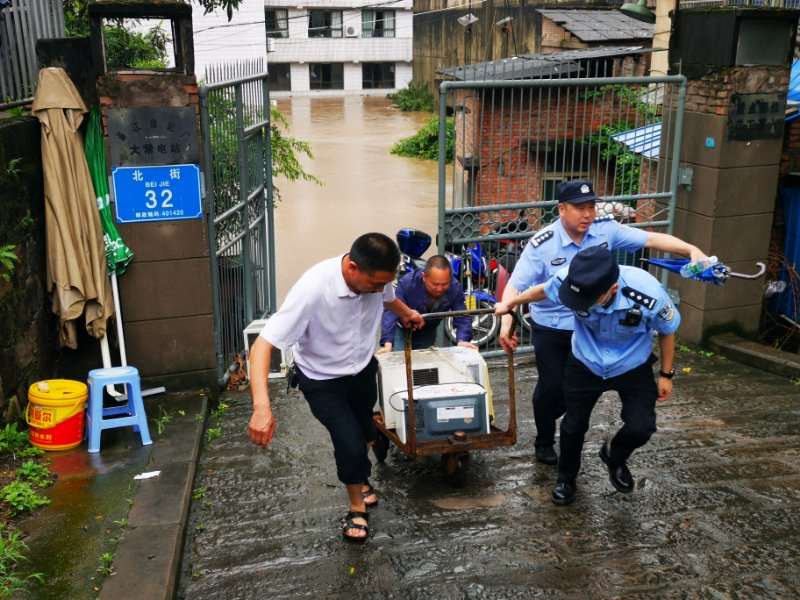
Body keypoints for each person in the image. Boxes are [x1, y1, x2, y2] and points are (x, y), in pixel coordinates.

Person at [498, 179, 705, 466]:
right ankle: (544, 439)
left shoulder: (605, 230)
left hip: (591, 327)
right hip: (553, 326)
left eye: (591, 207)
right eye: (580, 208)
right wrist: (506, 319)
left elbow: (651, 240)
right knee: (551, 389)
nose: (588, 214)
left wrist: (691, 250)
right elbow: (516, 286)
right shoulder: (542, 244)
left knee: (576, 394)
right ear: (561, 209)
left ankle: (578, 445)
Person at [247, 233, 424, 543]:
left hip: (362, 369)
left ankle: (364, 469)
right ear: (353, 268)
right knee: (349, 441)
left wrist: (406, 312)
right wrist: (262, 407)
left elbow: (388, 297)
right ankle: (357, 506)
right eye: (374, 284)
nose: (379, 290)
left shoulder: (377, 278)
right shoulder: (313, 289)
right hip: (322, 379)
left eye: (384, 283)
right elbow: (263, 345)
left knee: (366, 429)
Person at [495, 245, 679, 505]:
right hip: (586, 360)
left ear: (611, 290)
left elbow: (667, 330)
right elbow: (543, 290)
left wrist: (666, 374)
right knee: (573, 425)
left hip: (631, 363)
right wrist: (510, 302)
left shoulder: (648, 293)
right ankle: (566, 478)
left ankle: (615, 456)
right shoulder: (572, 279)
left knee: (642, 426)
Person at [379, 255, 477, 352]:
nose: (439, 289)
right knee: (400, 363)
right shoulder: (407, 283)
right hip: (401, 329)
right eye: (435, 284)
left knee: (424, 363)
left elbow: (462, 315)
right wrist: (387, 342)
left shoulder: (454, 287)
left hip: (427, 331)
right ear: (424, 277)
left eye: (444, 284)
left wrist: (463, 340)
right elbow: (391, 311)